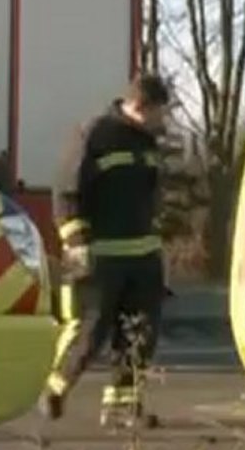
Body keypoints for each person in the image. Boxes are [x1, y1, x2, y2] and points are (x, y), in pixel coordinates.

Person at [42, 74, 172, 426]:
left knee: (139, 332)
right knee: (90, 330)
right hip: (101, 257)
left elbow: (152, 198)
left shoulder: (148, 142)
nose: (164, 120)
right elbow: (67, 191)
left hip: (142, 258)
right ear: (141, 107)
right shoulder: (96, 135)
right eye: (160, 112)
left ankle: (122, 407)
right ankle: (55, 386)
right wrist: (76, 243)